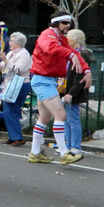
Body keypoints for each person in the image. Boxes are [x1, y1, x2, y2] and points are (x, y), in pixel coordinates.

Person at [27, 11, 91, 165]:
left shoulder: (60, 38)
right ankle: (64, 153)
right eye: (64, 23)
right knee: (61, 115)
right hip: (43, 81)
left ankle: (35, 153)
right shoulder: (48, 35)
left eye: (69, 23)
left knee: (44, 117)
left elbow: (74, 53)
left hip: (47, 80)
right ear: (55, 23)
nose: (67, 26)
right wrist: (70, 55)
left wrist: (86, 70)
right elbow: (51, 48)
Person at [61, 29, 94, 159]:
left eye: (68, 37)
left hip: (74, 91)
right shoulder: (71, 53)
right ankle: (68, 145)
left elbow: (80, 75)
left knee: (73, 119)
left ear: (74, 39)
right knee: (66, 120)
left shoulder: (82, 53)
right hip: (67, 90)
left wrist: (71, 93)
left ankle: (75, 146)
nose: (66, 39)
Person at [0, 31, 32, 145]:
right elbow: (2, 67)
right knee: (7, 110)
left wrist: (6, 61)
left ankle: (17, 137)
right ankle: (13, 136)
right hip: (10, 83)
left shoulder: (24, 54)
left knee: (12, 110)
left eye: (11, 41)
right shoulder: (10, 53)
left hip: (21, 83)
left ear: (19, 44)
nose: (9, 42)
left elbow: (18, 70)